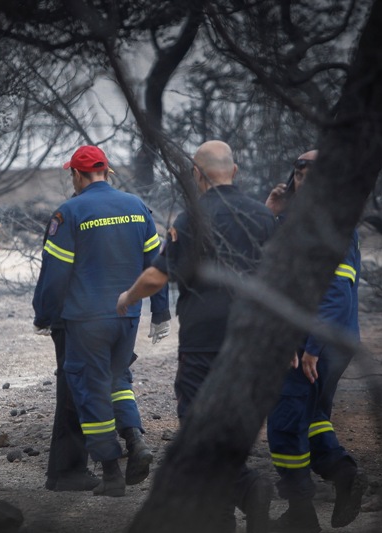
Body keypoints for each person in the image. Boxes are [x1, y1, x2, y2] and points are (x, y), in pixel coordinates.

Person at [117, 140, 277, 533]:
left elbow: (158, 275)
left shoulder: (193, 219)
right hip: (253, 341)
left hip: (205, 342)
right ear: (234, 171)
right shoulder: (264, 217)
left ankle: (246, 488)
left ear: (197, 175)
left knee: (197, 427)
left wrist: (128, 297)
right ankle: (220, 516)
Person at [32, 145, 170, 497]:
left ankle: (110, 473)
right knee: (117, 380)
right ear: (106, 171)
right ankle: (135, 439)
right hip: (128, 317)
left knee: (90, 390)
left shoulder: (70, 212)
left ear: (77, 176)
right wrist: (160, 312)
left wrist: (44, 316)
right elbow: (156, 265)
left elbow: (56, 275)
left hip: (86, 321)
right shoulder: (137, 208)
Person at [264, 150, 365, 533]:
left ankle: (302, 515)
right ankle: (343, 476)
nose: (302, 180)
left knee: (286, 424)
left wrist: (310, 348)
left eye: (312, 174)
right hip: (320, 342)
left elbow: (337, 292)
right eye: (298, 173)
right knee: (313, 417)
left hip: (314, 344)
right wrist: (270, 212)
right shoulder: (298, 221)